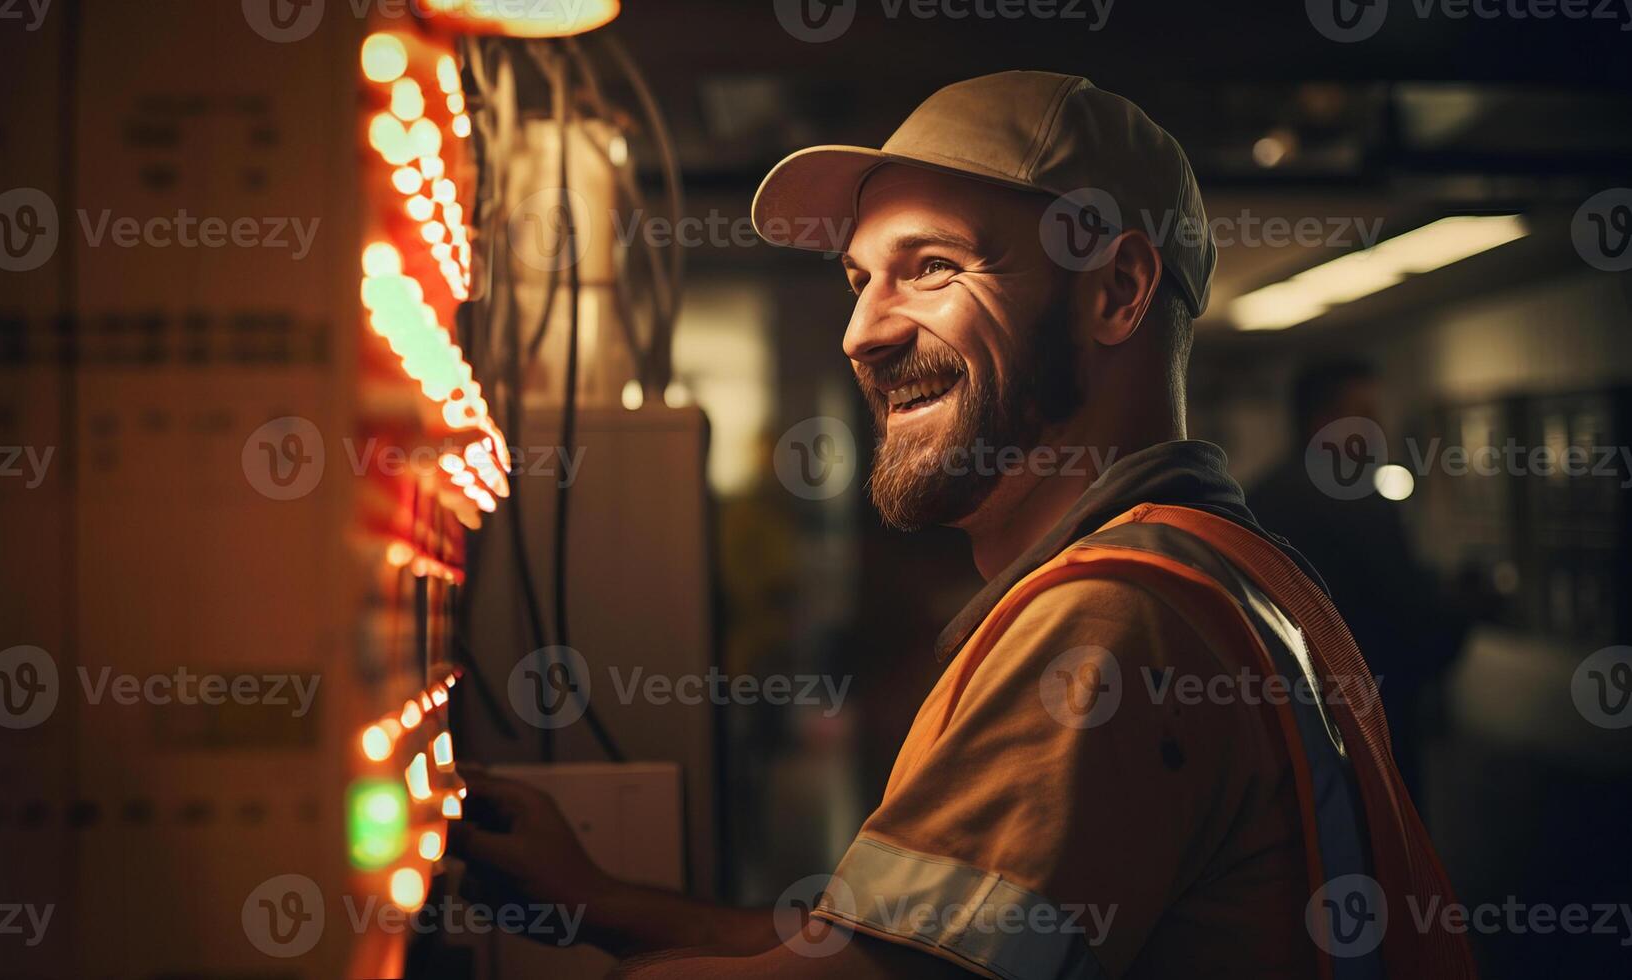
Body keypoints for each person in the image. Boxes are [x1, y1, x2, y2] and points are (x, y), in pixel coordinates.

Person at [461, 72, 1474, 978]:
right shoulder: (1230, 568)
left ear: (1115, 290)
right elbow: (868, 947)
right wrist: (600, 898)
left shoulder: (1111, 622)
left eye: (935, 265)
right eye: (860, 277)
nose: (863, 331)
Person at [1248, 361, 1471, 808]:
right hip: (1372, 726)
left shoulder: (1257, 499)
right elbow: (1409, 624)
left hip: (1283, 737)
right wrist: (1465, 611)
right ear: (1322, 422)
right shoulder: (1359, 504)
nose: (1378, 428)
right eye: (1365, 414)